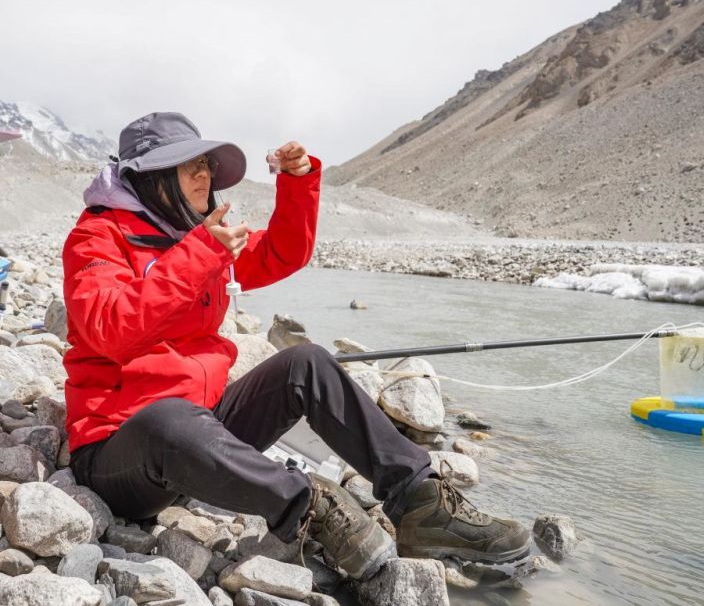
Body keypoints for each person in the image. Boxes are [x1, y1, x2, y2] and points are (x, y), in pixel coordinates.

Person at [62, 112, 531, 580]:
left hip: (205, 435)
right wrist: (201, 253)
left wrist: (298, 183)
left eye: (205, 163)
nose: (205, 175)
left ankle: (421, 501)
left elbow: (281, 252)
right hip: (123, 454)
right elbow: (109, 327)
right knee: (167, 419)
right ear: (150, 177)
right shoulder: (97, 236)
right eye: (189, 166)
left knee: (305, 362)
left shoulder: (194, 235)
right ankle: (310, 509)